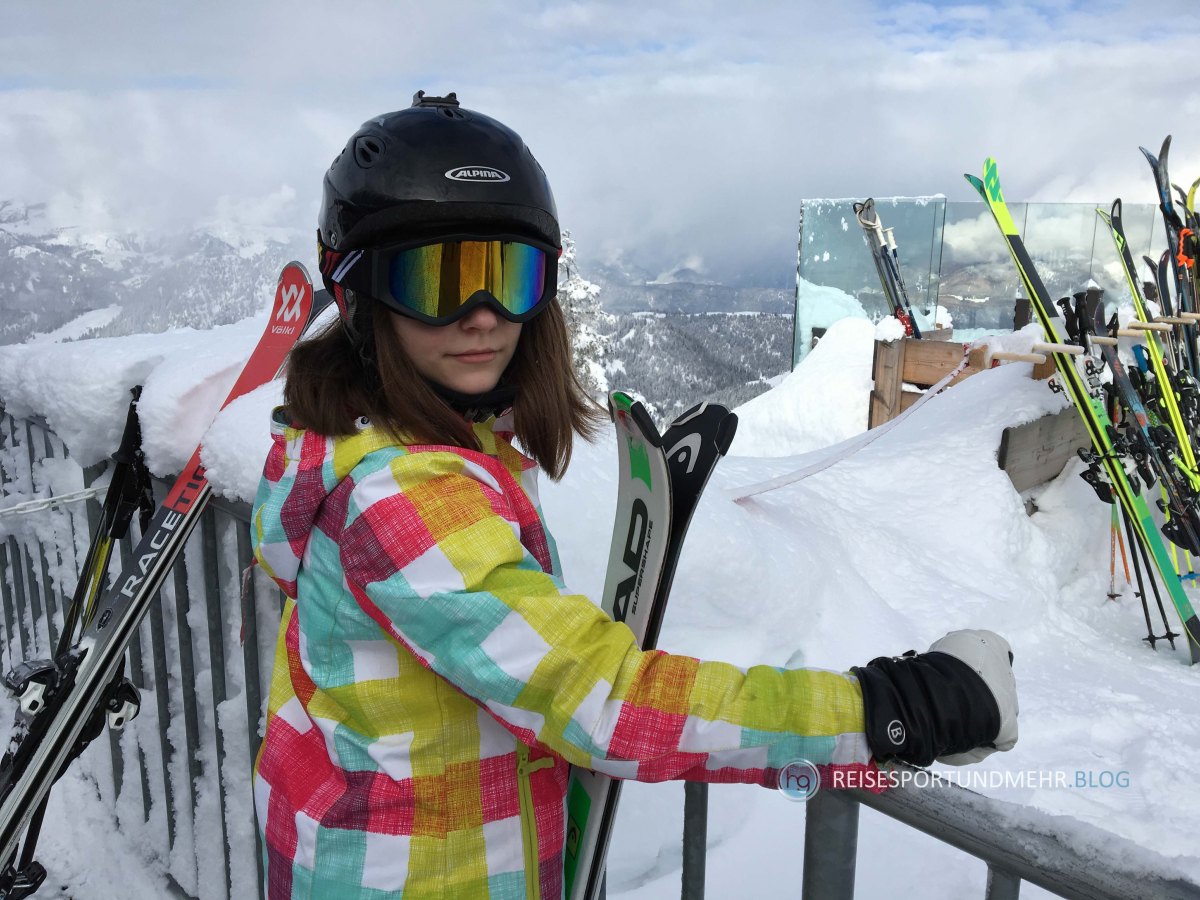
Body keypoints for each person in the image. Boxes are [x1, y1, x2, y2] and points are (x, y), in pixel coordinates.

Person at [251, 90, 1019, 900]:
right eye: (438, 278)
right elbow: (602, 701)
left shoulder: (372, 448)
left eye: (509, 276)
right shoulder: (400, 493)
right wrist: (884, 711)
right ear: (364, 291)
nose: (482, 316)